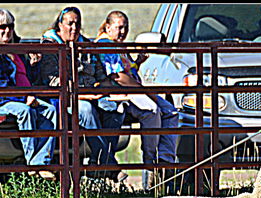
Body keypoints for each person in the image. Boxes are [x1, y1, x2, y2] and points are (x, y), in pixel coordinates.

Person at [38, 6, 127, 182]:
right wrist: (80, 93)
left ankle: (98, 161)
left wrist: (105, 88)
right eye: (69, 23)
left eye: (77, 24)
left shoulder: (85, 45)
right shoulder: (51, 46)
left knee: (116, 108)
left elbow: (99, 72)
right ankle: (108, 164)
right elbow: (52, 80)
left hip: (91, 92)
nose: (73, 28)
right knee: (86, 110)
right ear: (60, 25)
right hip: (66, 97)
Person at [0, 8, 57, 181]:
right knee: (25, 111)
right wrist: (24, 98)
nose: (7, 31)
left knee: (51, 111)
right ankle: (32, 164)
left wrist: (33, 65)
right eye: (2, 27)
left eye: (10, 26)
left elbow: (25, 79)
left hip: (16, 97)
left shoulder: (15, 50)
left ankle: (42, 162)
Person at [94, 10, 179, 187]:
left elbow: (127, 70)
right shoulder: (106, 45)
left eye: (125, 27)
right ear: (108, 27)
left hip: (132, 89)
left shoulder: (118, 45)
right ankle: (151, 161)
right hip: (120, 92)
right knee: (151, 110)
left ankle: (165, 159)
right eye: (119, 27)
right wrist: (144, 90)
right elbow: (118, 76)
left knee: (171, 111)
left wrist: (138, 63)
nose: (123, 32)